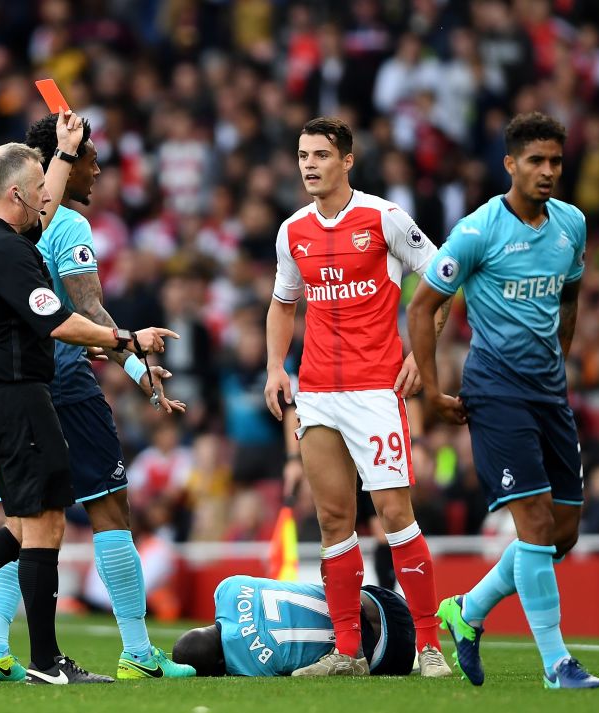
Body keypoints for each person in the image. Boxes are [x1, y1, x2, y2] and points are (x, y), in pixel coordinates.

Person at [0, 113, 178, 685]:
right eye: (39, 192)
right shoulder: (10, 247)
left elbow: (36, 219)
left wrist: (65, 154)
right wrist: (129, 346)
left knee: (27, 524)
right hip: (29, 393)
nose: (47, 201)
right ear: (18, 193)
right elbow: (66, 319)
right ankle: (60, 659)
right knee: (59, 521)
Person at [0, 112, 195, 682]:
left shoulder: (0, 232)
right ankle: (138, 653)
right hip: (64, 383)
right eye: (90, 157)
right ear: (61, 163)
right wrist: (139, 365)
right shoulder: (67, 226)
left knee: (23, 519)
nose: (99, 168)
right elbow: (89, 310)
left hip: (11, 388)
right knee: (110, 510)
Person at [407, 111, 599, 689]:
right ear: (510, 164)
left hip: (549, 392)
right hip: (494, 390)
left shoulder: (572, 224)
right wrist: (430, 387)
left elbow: (569, 296)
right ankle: (557, 665)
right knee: (537, 525)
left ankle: (466, 612)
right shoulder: (477, 231)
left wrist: (561, 359)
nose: (548, 172)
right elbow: (421, 308)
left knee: (562, 533)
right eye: (537, 161)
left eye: (556, 162)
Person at [263, 117, 452, 677]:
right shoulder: (292, 230)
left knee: (395, 514)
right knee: (332, 521)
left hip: (376, 389)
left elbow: (443, 279)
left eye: (320, 154)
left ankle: (428, 645)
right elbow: (282, 303)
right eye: (302, 155)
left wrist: (421, 355)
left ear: (348, 160)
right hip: (318, 392)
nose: (309, 165)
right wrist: (276, 366)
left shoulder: (384, 218)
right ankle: (347, 652)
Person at [170, 575, 416, 677]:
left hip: (390, 654)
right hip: (384, 601)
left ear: (219, 666)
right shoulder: (228, 588)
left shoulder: (248, 667)